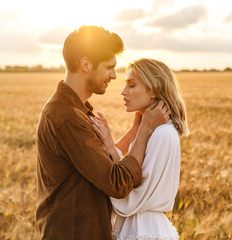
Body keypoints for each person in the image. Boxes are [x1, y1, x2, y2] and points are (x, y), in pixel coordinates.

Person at [35, 26, 170, 239]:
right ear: (86, 64)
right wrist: (145, 130)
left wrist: (134, 131)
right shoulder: (67, 116)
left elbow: (94, 162)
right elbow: (117, 182)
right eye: (109, 67)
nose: (114, 76)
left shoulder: (76, 110)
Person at [91, 58, 189, 240]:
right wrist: (116, 142)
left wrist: (111, 147)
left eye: (131, 85)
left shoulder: (163, 134)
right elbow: (127, 179)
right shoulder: (154, 132)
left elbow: (131, 195)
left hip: (144, 231)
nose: (123, 91)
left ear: (153, 90)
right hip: (135, 227)